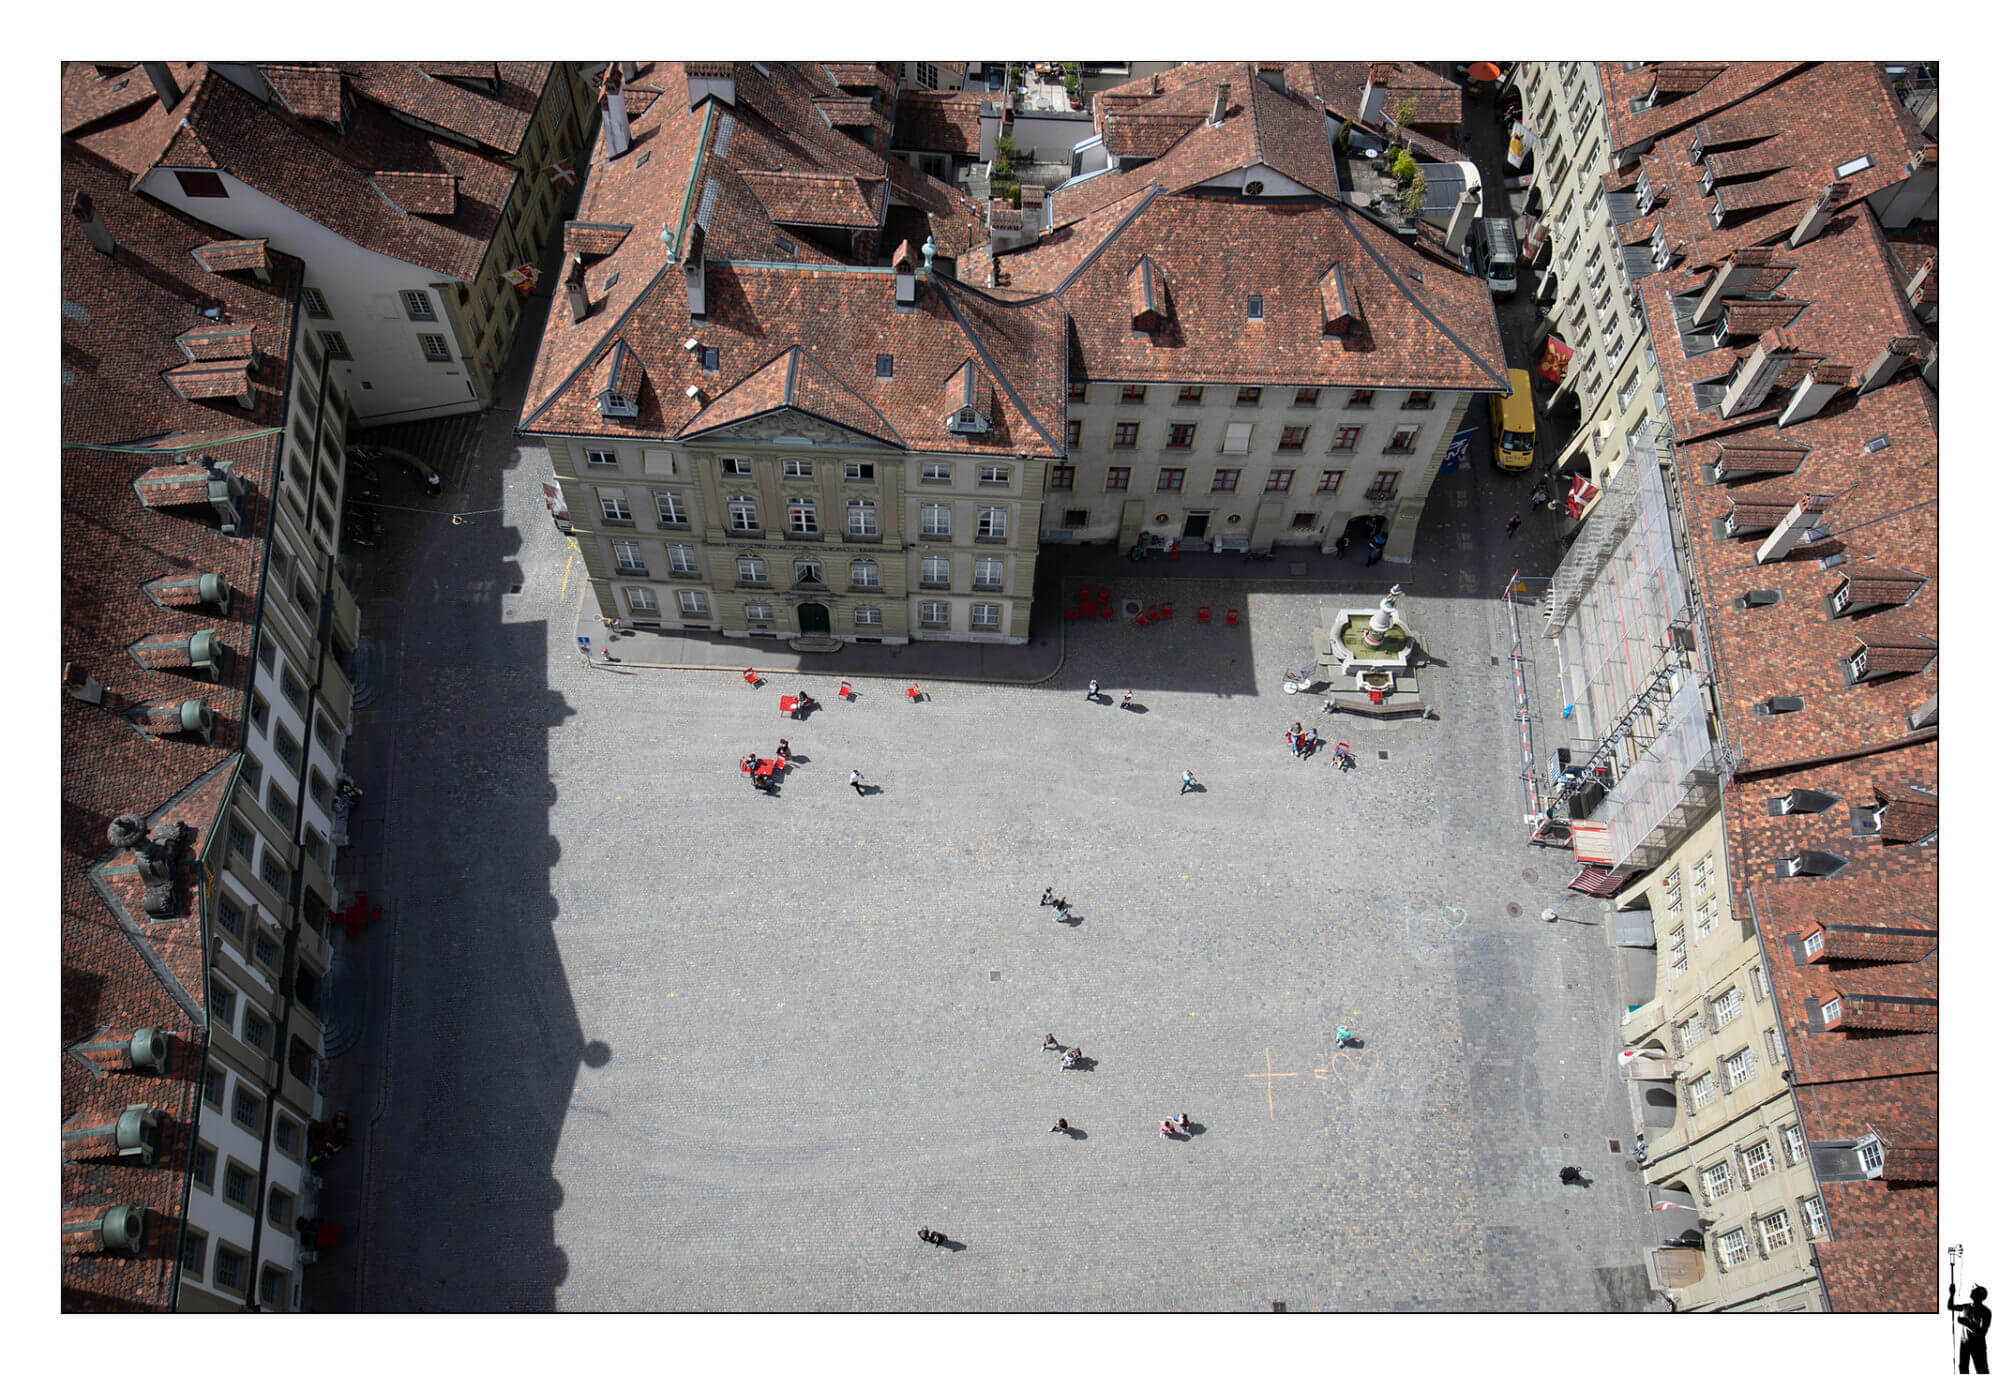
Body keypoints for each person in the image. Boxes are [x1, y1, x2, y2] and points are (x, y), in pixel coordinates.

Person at [1951, 1284, 1992, 1374]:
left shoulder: (1985, 1311)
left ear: (1978, 1296)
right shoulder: (1966, 1306)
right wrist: (1952, 1294)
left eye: (1974, 1290)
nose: (1971, 1290)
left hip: (1978, 1346)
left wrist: (1966, 1324)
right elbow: (1950, 1306)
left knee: (1981, 1369)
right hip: (1964, 1344)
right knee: (1963, 1368)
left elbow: (1982, 1332)